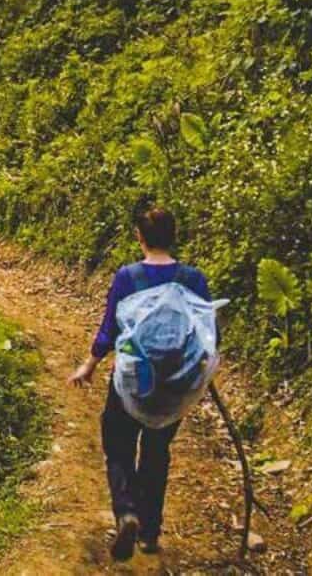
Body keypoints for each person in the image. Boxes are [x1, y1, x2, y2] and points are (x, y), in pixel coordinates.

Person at [69, 205, 213, 561]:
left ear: (139, 237)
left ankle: (127, 511)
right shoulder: (193, 279)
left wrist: (89, 365)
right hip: (174, 387)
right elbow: (208, 335)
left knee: (118, 446)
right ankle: (149, 533)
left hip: (131, 383)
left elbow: (109, 330)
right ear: (174, 236)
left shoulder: (128, 277)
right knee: (156, 453)